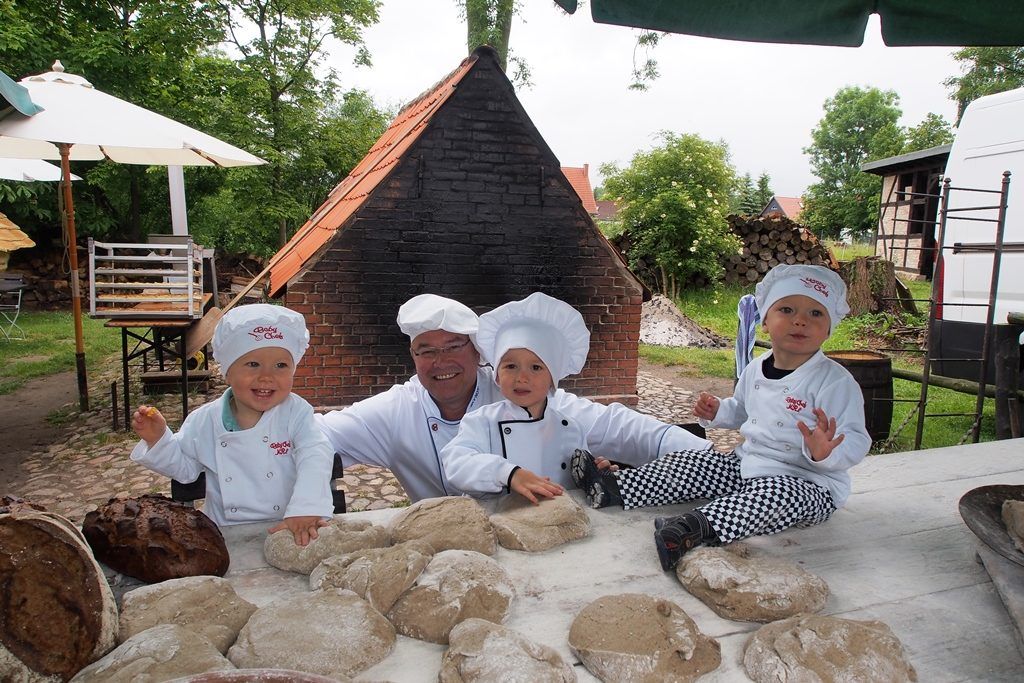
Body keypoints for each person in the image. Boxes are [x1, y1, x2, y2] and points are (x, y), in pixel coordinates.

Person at [571, 264, 871, 571]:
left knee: (770, 498)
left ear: (830, 327)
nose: (800, 320)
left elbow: (857, 440)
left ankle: (693, 529)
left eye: (816, 314)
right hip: (745, 464)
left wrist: (826, 452)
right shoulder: (756, 369)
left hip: (808, 484)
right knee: (692, 463)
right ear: (765, 320)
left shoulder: (834, 382)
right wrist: (718, 412)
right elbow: (742, 411)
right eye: (787, 309)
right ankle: (615, 488)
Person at [316, 293, 713, 502]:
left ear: (477, 352)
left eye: (454, 347)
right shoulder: (394, 411)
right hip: (442, 551)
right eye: (426, 351)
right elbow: (314, 436)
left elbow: (628, 429)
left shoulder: (522, 395)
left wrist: (717, 462)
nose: (441, 362)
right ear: (412, 356)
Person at [441, 292, 714, 503]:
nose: (521, 377)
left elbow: (571, 480)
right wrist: (507, 474)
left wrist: (595, 473)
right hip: (500, 527)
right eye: (510, 366)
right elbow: (456, 463)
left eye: (536, 367)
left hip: (555, 527)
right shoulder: (480, 421)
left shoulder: (569, 427)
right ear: (497, 376)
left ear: (553, 379)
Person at [131, 304, 334, 546]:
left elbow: (316, 454)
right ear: (228, 371)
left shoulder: (296, 413)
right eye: (253, 364)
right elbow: (185, 470)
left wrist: (306, 507)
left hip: (291, 526)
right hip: (225, 534)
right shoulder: (205, 420)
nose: (266, 376)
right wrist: (158, 439)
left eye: (281, 365)